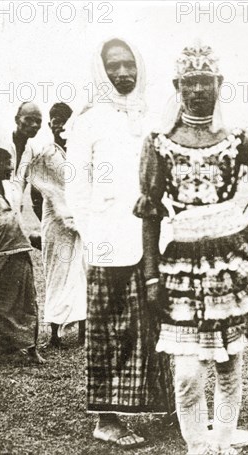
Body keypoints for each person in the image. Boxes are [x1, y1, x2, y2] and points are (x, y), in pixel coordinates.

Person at [134, 43, 248, 455]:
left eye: (205, 81)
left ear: (219, 84)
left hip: (229, 268)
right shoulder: (159, 144)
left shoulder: (239, 139)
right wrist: (151, 275)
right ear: (178, 85)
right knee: (188, 372)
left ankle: (223, 445)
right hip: (180, 268)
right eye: (189, 82)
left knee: (228, 364)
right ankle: (197, 448)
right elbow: (151, 212)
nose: (197, 90)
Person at [65, 37, 174, 449]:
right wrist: (95, 237)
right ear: (101, 69)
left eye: (129, 64)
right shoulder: (88, 120)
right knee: (111, 332)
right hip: (108, 242)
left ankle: (170, 408)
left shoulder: (155, 115)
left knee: (161, 327)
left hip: (155, 242)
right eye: (114, 66)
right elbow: (76, 188)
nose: (123, 73)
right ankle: (106, 419)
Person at [0, 146, 45, 364]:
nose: (10, 167)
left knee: (27, 302)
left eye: (10, 161)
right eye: (5, 162)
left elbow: (19, 222)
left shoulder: (13, 190)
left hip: (20, 251)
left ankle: (32, 350)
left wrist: (33, 240)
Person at [27, 102, 86, 348]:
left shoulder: (79, 151)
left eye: (61, 119)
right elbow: (37, 192)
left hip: (80, 220)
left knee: (81, 272)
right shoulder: (46, 153)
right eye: (53, 118)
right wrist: (47, 223)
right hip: (54, 220)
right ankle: (54, 334)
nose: (56, 123)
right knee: (56, 274)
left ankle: (83, 331)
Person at [0, 102, 44, 219]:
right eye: (29, 119)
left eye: (38, 121)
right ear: (17, 120)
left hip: (12, 215)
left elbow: (22, 187)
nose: (34, 125)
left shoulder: (32, 152)